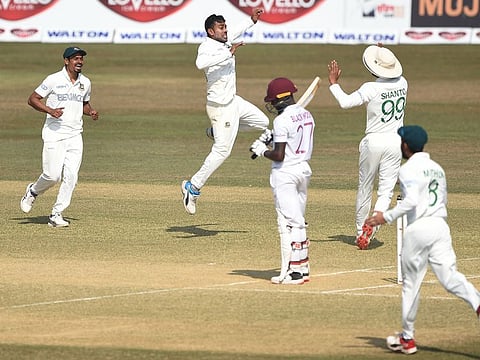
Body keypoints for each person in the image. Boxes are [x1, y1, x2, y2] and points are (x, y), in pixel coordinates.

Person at [365, 125, 480, 355]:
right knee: (450, 278)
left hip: (418, 229)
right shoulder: (437, 168)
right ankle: (477, 303)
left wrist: (383, 217)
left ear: (406, 146)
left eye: (401, 141)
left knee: (411, 286)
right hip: (440, 226)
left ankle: (407, 339)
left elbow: (411, 202)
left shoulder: (407, 170)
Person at [181, 8, 269, 215]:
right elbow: (199, 64)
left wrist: (252, 21)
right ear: (211, 32)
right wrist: (226, 54)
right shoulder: (207, 47)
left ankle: (216, 132)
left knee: (263, 122)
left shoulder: (224, 41)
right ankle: (192, 187)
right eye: (221, 28)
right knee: (223, 151)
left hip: (233, 102)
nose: (226, 31)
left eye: (225, 27)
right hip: (220, 107)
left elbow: (236, 31)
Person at [327, 44, 408, 250]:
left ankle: (360, 232)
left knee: (365, 187)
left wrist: (334, 84)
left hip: (374, 141)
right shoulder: (403, 83)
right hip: (395, 141)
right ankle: (371, 228)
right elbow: (384, 70)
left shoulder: (370, 88)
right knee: (386, 192)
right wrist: (381, 53)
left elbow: (345, 103)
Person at [20, 46, 99, 227]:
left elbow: (83, 104)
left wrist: (91, 111)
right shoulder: (53, 79)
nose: (79, 62)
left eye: (81, 59)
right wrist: (50, 110)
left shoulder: (85, 82)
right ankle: (32, 191)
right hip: (54, 133)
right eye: (75, 59)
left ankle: (56, 214)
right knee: (52, 176)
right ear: (66, 61)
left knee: (71, 176)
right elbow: (32, 99)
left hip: (75, 134)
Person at [250, 77, 315, 285]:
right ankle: (302, 267)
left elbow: (279, 155)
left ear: (280, 100)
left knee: (290, 222)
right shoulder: (307, 114)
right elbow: (291, 139)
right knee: (299, 221)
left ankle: (294, 273)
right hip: (303, 169)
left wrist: (262, 150)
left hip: (285, 173)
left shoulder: (281, 120)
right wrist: (273, 137)